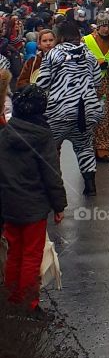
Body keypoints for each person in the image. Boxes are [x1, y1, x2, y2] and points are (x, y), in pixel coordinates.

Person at [0, 87, 65, 314]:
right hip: (34, 206)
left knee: (14, 253)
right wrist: (59, 205)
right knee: (31, 256)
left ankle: (11, 298)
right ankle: (29, 303)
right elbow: (51, 174)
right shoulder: (43, 136)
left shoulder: (6, 133)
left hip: (9, 205)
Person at [35, 16, 103, 196]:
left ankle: (51, 190)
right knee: (85, 146)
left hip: (60, 110)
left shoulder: (53, 54)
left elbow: (42, 83)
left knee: (49, 148)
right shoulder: (88, 54)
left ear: (60, 37)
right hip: (87, 110)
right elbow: (97, 81)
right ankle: (90, 186)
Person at [83, 12, 109, 162]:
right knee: (90, 116)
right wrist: (96, 64)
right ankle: (88, 148)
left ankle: (103, 148)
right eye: (104, 26)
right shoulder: (86, 40)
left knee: (105, 116)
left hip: (107, 82)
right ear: (98, 27)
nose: (107, 29)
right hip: (89, 84)